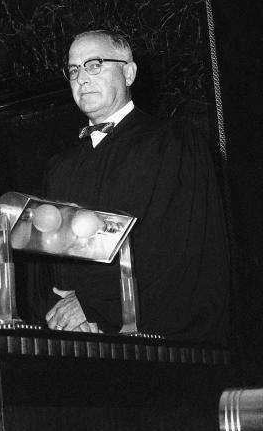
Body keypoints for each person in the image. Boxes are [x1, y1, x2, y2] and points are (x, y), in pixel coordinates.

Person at [41, 29, 230, 344]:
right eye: (73, 70)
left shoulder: (172, 143)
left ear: (128, 72)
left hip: (152, 339)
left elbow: (175, 248)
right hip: (75, 340)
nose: (81, 78)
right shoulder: (60, 166)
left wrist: (92, 307)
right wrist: (63, 313)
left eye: (95, 64)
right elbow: (45, 264)